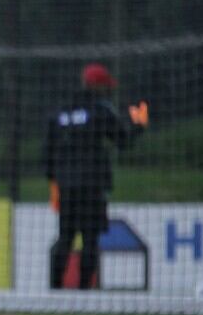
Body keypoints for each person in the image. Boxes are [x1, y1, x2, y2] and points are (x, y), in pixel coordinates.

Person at [44, 63, 148, 289]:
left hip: (66, 186)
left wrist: (54, 183)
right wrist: (139, 125)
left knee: (65, 237)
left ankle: (54, 291)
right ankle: (84, 292)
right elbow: (123, 141)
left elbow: (47, 151)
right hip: (92, 185)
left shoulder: (61, 111)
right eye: (106, 86)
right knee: (90, 239)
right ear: (98, 86)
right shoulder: (101, 110)